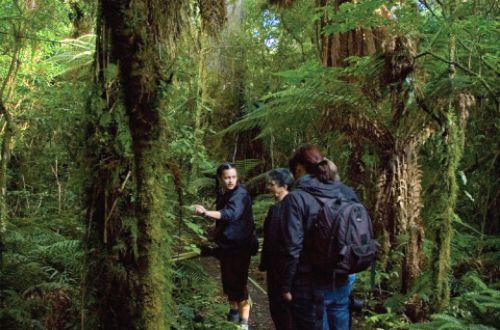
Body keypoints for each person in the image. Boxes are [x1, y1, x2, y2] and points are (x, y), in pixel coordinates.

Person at [280, 144, 359, 330]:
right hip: (342, 277)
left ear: (299, 168)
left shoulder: (296, 198)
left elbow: (292, 247)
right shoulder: (346, 191)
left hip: (310, 284)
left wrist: (285, 285)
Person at [193, 162, 256, 330]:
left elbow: (229, 214)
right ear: (221, 178)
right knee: (228, 283)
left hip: (240, 247)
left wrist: (206, 212)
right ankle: (232, 317)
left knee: (238, 285)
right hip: (227, 246)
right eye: (227, 177)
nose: (231, 180)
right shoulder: (223, 193)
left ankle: (243, 323)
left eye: (233, 177)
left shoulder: (240, 194)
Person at [259, 168, 294, 330]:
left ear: (284, 186)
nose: (268, 187)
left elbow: (271, 241)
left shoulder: (279, 210)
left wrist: (265, 264)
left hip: (280, 268)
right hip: (292, 267)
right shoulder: (297, 206)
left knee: (280, 311)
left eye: (272, 184)